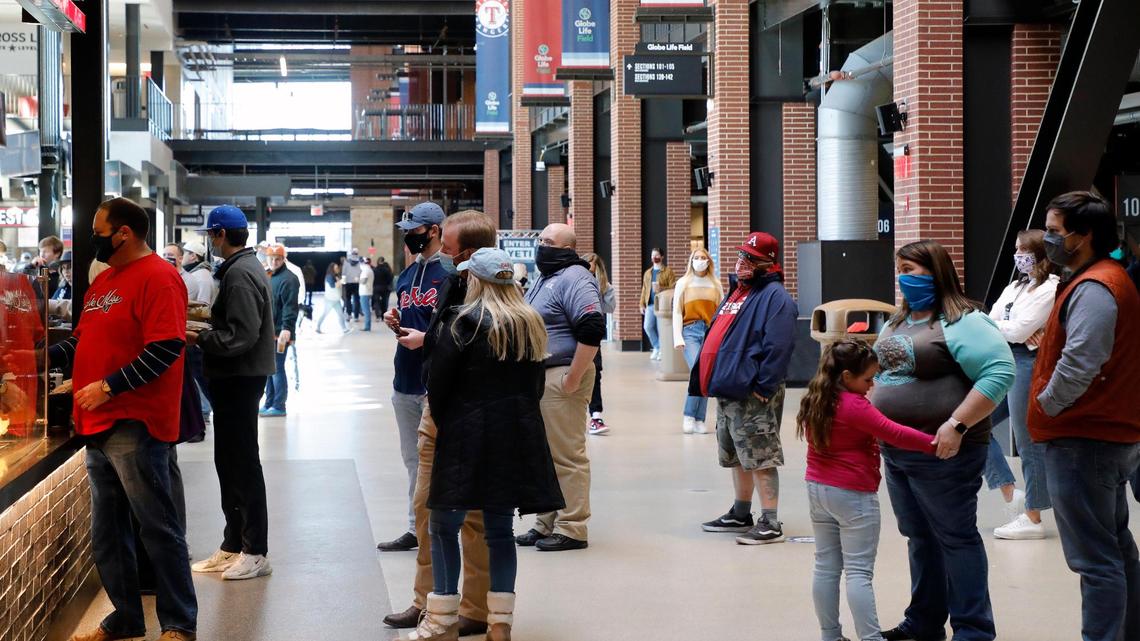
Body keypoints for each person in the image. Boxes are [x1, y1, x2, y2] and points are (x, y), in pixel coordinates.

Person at [54, 197, 197, 641]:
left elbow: (165, 348)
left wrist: (108, 386)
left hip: (136, 422)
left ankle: (178, 622)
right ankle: (126, 616)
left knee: (157, 527)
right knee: (108, 533)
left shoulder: (160, 278)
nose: (90, 236)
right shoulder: (103, 284)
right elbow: (80, 341)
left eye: (97, 228)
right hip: (94, 423)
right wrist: (38, 360)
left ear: (123, 233)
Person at [411, 247, 564, 641]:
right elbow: (535, 386)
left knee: (444, 526)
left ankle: (441, 618)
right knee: (499, 531)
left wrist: (449, 424)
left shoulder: (463, 323)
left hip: (465, 435)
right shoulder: (530, 323)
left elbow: (438, 385)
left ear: (476, 280)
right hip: (513, 435)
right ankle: (500, 623)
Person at [871, 240, 1015, 641]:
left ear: (937, 273)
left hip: (945, 451)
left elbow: (1000, 372)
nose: (903, 277)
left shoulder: (963, 321)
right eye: (900, 268)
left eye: (912, 270)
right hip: (898, 451)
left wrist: (957, 424)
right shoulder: (899, 321)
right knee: (919, 537)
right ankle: (924, 622)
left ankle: (973, 630)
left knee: (955, 538)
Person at [1028, 191, 1140, 641]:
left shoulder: (1097, 287)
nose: (1048, 239)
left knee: (1095, 561)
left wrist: (1045, 405)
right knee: (1114, 547)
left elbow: (1080, 363)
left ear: (1084, 235)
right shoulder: (1097, 280)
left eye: (1054, 232)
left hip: (1084, 439)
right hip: (1102, 435)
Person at [382, 209, 498, 636]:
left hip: (464, 409)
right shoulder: (426, 277)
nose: (444, 252)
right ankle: (426, 600)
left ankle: (477, 608)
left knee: (476, 517)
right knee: (426, 505)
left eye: (449, 245)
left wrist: (427, 340)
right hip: (427, 395)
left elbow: (469, 343)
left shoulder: (481, 289)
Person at [799, 339, 944, 641]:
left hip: (817, 488)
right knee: (858, 572)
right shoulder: (854, 406)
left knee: (826, 566)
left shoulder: (816, 398)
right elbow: (893, 432)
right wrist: (936, 444)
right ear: (847, 377)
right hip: (853, 495)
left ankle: (830, 635)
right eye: (867, 378)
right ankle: (870, 638)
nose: (872, 384)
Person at [689, 232, 797, 545]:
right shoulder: (739, 292)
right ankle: (741, 512)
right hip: (730, 387)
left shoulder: (776, 298)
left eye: (752, 258)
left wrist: (765, 384)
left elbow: (780, 346)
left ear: (769, 262)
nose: (744, 262)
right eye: (743, 255)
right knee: (736, 454)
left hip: (753, 391)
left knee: (761, 454)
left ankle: (771, 521)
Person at [187, 204, 276, 581]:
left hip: (239, 377)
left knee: (242, 463)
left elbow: (241, 335)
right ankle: (233, 543)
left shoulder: (239, 274)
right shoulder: (244, 269)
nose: (209, 242)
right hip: (237, 378)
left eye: (210, 235)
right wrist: (208, 316)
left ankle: (255, 550)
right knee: (229, 461)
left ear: (219, 235)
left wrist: (201, 335)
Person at [514, 222, 604, 552]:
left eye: (549, 241)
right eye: (540, 239)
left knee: (566, 455)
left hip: (562, 374)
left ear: (567, 248)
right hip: (540, 376)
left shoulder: (576, 278)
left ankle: (572, 526)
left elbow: (593, 327)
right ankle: (547, 521)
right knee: (544, 455)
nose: (542, 245)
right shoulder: (545, 278)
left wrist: (574, 376)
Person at [378, 201, 450, 552]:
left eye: (414, 232)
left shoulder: (451, 274)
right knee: (412, 459)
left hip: (434, 378)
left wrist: (428, 339)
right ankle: (415, 525)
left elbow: (460, 329)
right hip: (404, 377)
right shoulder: (406, 275)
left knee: (435, 457)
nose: (408, 238)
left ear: (433, 230)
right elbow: (413, 314)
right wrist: (396, 319)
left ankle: (440, 526)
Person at [982, 230, 1059, 540]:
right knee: (974, 425)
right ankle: (1009, 490)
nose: (1017, 256)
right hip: (1004, 358)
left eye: (1022, 250)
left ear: (1038, 254)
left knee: (1028, 439)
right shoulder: (1016, 286)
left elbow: (1019, 329)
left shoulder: (1050, 288)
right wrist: (1009, 329)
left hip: (1028, 362)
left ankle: (1034, 516)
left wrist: (1008, 329)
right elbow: (994, 320)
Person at [672, 247, 722, 435]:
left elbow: (721, 313)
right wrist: (678, 337)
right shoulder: (683, 283)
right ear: (691, 260)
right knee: (697, 371)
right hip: (690, 331)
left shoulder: (715, 284)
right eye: (697, 257)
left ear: (709, 261)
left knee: (706, 374)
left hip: (710, 332)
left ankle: (700, 418)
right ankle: (688, 415)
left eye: (703, 258)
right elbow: (677, 311)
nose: (700, 260)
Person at [261, 244, 299, 418]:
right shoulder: (269, 275)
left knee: (277, 369)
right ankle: (269, 402)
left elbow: (290, 307)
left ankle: (279, 405)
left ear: (284, 259)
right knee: (268, 368)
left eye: (278, 259)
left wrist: (287, 328)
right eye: (272, 258)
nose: (274, 262)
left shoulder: (289, 279)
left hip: (280, 333)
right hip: (268, 332)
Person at [582, 252, 615, 436]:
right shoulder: (573, 282)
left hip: (593, 335)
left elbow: (609, 309)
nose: (589, 268)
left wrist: (605, 289)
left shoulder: (603, 287)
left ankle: (596, 416)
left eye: (592, 265)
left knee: (594, 374)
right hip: (573, 333)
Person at [640, 247, 676, 361]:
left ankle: (662, 351)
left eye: (656, 255)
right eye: (652, 255)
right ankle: (657, 347)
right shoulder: (648, 273)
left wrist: (661, 288)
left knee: (662, 329)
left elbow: (673, 287)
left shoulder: (668, 271)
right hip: (650, 304)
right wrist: (641, 304)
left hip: (662, 305)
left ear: (662, 257)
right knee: (648, 327)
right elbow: (644, 289)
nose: (654, 258)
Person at [180, 240, 217, 305]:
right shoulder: (195, 273)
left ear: (192, 256)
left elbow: (203, 307)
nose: (181, 257)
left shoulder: (202, 277)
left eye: (183, 253)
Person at [317, 262, 349, 334]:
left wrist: (341, 281)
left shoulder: (336, 276)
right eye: (336, 268)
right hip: (330, 300)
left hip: (336, 299)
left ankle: (344, 329)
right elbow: (333, 286)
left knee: (340, 314)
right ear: (332, 269)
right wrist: (341, 281)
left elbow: (339, 285)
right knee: (325, 314)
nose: (338, 269)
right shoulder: (329, 276)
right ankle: (318, 327)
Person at [343, 248, 363, 321]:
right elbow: (361, 271)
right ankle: (356, 317)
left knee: (348, 299)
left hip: (348, 282)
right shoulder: (359, 261)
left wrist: (343, 283)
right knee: (356, 300)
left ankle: (349, 315)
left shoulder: (346, 261)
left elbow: (343, 273)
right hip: (356, 283)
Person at [359, 256, 374, 332]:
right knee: (367, 309)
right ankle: (367, 326)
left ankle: (367, 326)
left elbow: (363, 281)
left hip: (365, 292)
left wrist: (357, 279)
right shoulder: (369, 269)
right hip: (367, 292)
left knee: (366, 310)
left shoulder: (365, 270)